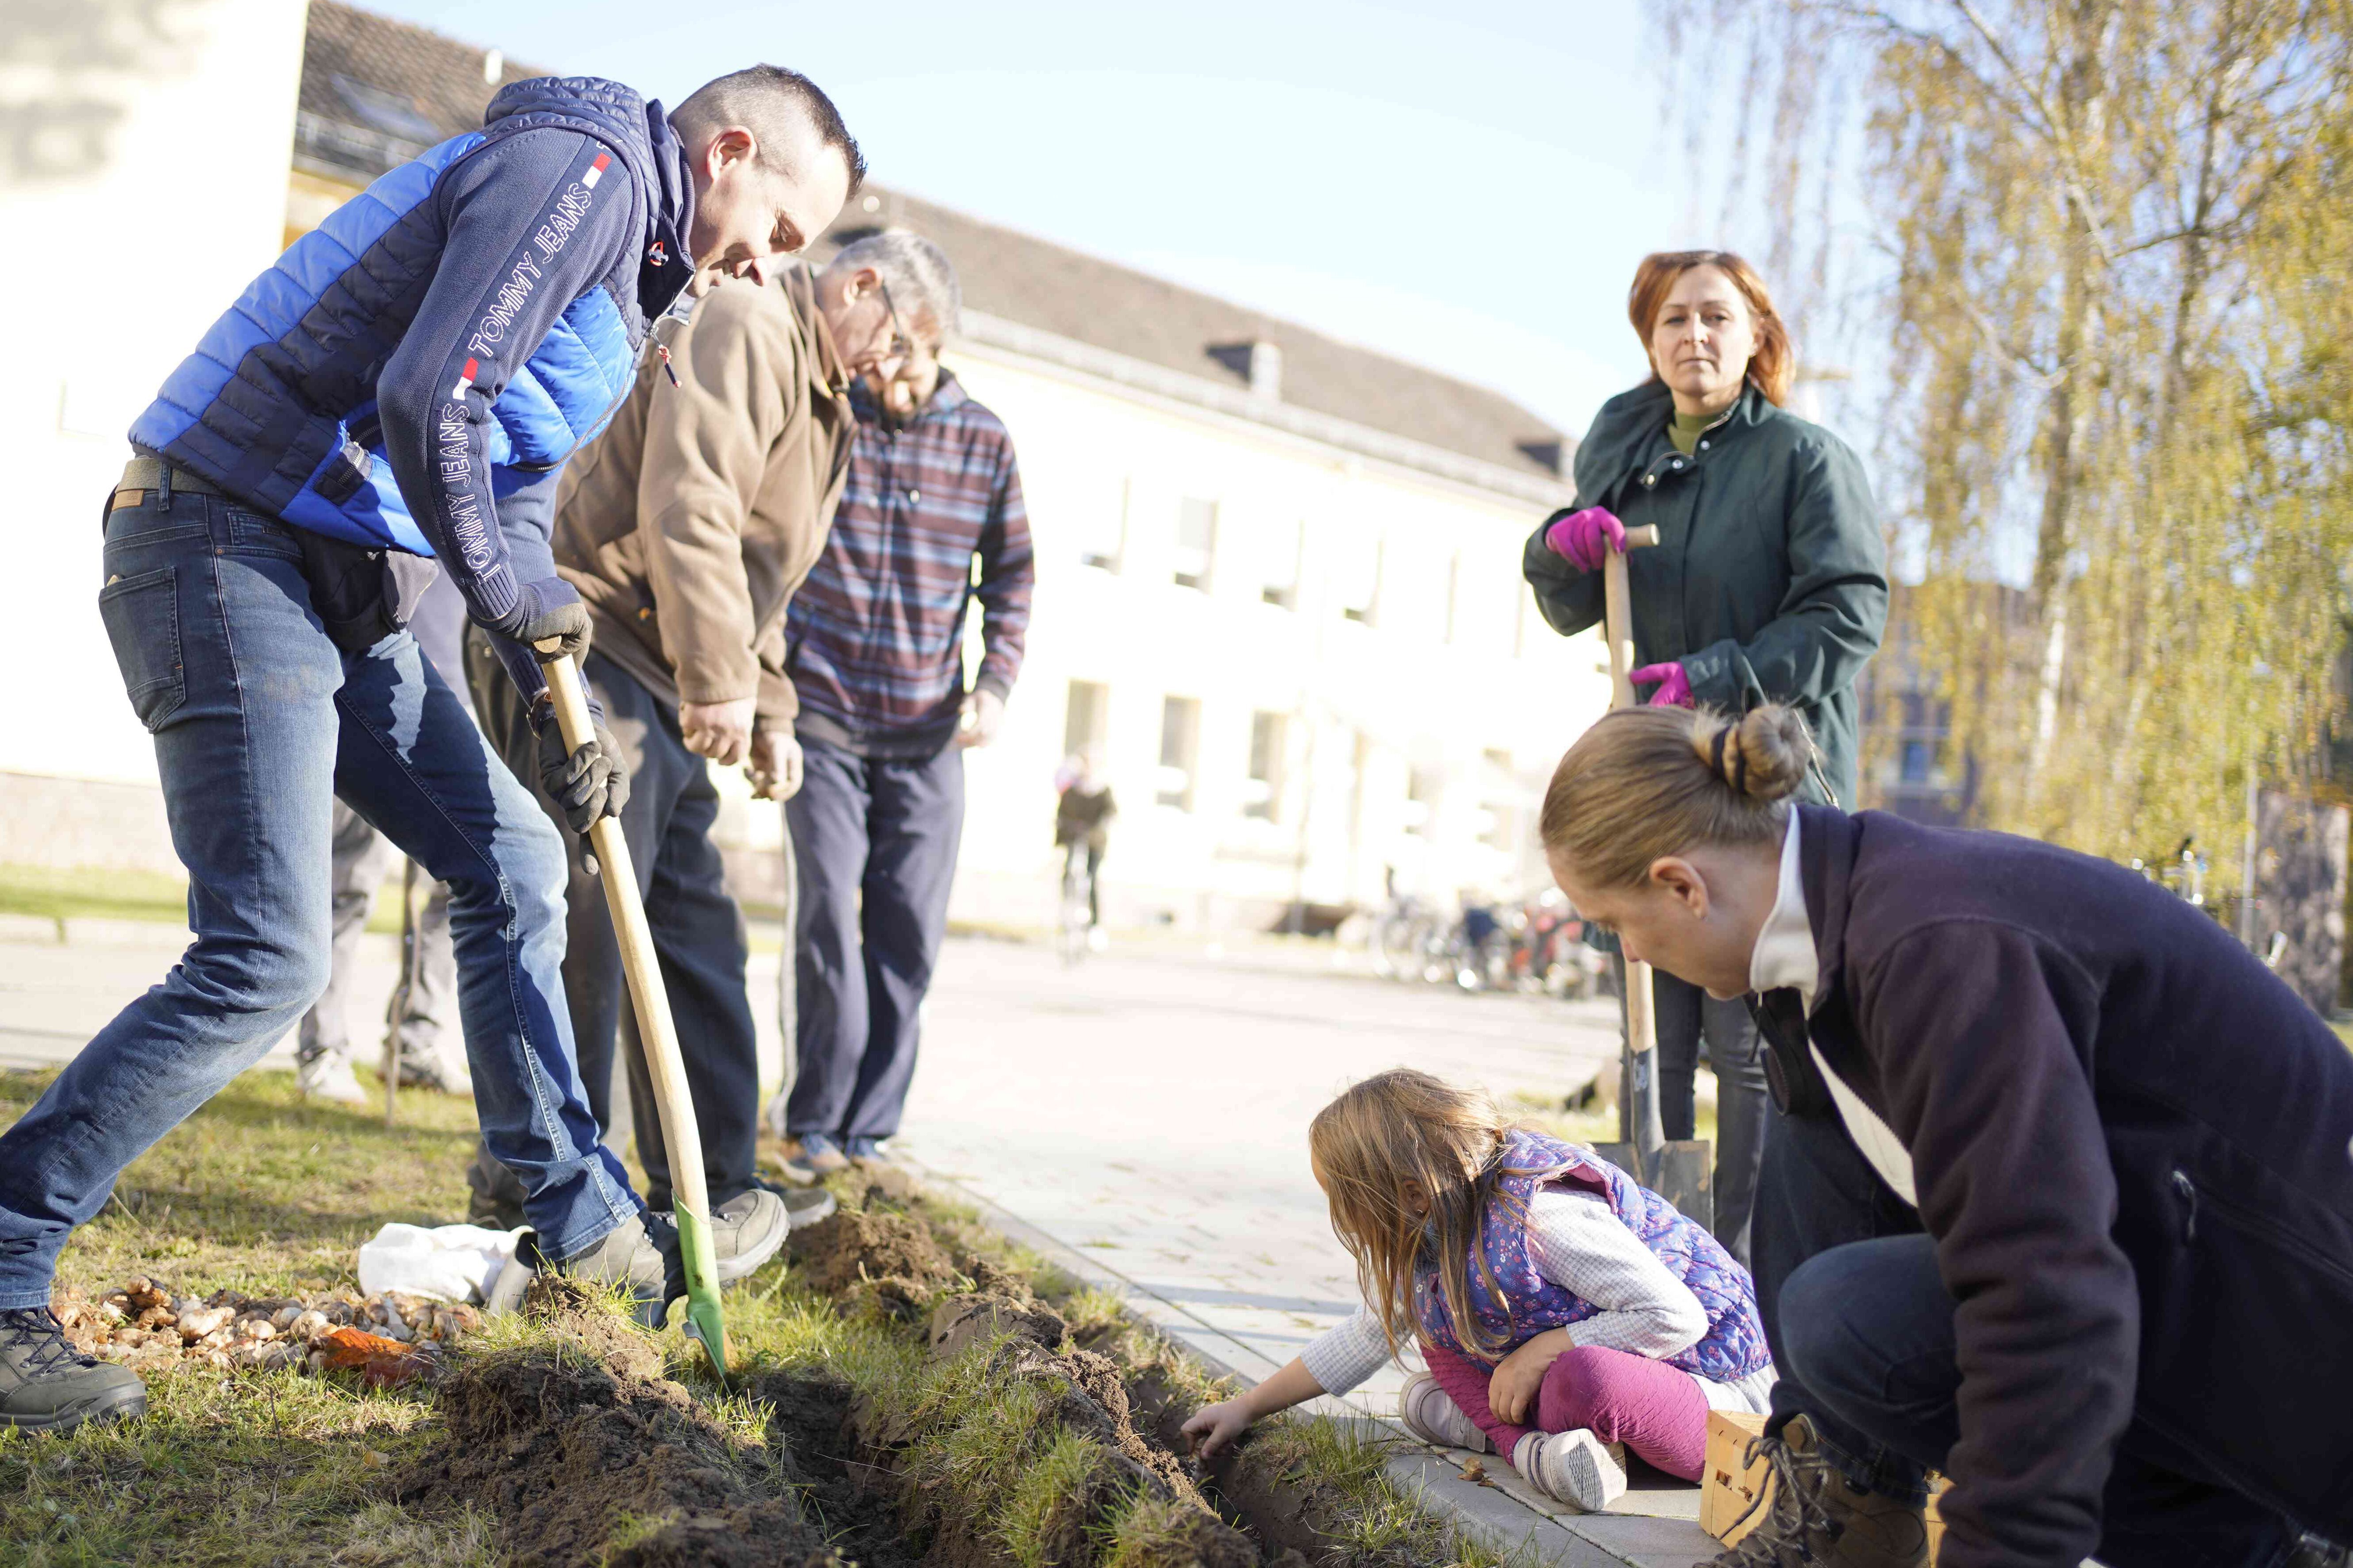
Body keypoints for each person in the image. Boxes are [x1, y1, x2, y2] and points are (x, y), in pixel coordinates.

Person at [0, 64, 862, 1434]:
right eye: (785, 228)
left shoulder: (644, 277)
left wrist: (543, 678)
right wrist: (519, 602)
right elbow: (432, 395)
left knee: (519, 855)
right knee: (269, 953)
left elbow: (511, 493)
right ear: (735, 149)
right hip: (226, 534)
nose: (773, 267)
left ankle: (583, 1226)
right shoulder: (585, 174)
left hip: (333, 572)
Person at [1540, 703, 2353, 1568]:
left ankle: (2242, 1545)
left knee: (1846, 1316)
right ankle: (1844, 1522)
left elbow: (2046, 1296)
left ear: (1681, 885)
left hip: (2311, 1361)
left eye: (1614, 923)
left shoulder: (1931, 948)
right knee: (1814, 1166)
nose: (1628, 953)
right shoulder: (1832, 930)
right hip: (2190, 1293)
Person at [464, 234, 912, 1252]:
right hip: (593, 642)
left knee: (694, 933)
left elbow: (764, 576)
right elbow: (691, 506)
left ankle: (710, 1184)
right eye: (898, 339)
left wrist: (773, 708)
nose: (892, 367)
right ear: (861, 286)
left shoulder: (822, 397)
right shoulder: (755, 323)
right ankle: (544, 1196)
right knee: (584, 920)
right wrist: (722, 684)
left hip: (662, 670)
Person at [1522, 250, 1887, 1267]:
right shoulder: (1621, 442)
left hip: (1763, 782)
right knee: (1653, 1024)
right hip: (1646, 777)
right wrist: (1559, 546)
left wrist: (1718, 680)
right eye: (1673, 319)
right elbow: (1566, 602)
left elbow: (1848, 611)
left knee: (1750, 1041)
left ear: (1756, 336)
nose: (1694, 337)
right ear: (1648, 337)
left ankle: (1746, 1270)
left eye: (1716, 318)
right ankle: (1645, 1264)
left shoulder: (1804, 460)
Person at [1181, 1069, 1772, 1512]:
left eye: (1350, 1204)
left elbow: (1676, 1318)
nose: (1348, 1220)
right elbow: (1363, 1338)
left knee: (1578, 1380)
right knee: (1436, 1336)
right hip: (1611, 1388)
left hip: (1717, 1403)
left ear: (1412, 1194)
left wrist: (1543, 1351)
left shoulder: (1545, 1217)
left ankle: (1513, 1442)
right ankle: (1534, 1448)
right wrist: (1246, 1407)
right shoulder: (1436, 1229)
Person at [775, 231, 1034, 1180]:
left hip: (929, 733)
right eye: (891, 359)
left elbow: (1012, 576)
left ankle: (870, 1131)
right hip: (826, 714)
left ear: (939, 350)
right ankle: (812, 1120)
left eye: (914, 360)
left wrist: (995, 683)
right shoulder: (829, 415)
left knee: (906, 934)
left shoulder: (984, 438)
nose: (897, 377)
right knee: (826, 921)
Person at [296, 573, 476, 1104]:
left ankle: (414, 1041)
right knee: (349, 881)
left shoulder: (501, 497)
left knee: (458, 884)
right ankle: (322, 1048)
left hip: (460, 705)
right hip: (371, 688)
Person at [1053, 749, 1115, 947]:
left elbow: (1111, 812)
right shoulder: (1073, 791)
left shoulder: (1102, 790)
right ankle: (1067, 909)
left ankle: (1094, 924)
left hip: (1094, 840)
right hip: (1074, 838)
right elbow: (1062, 812)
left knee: (1092, 878)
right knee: (1070, 870)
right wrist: (1063, 825)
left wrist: (1102, 824)